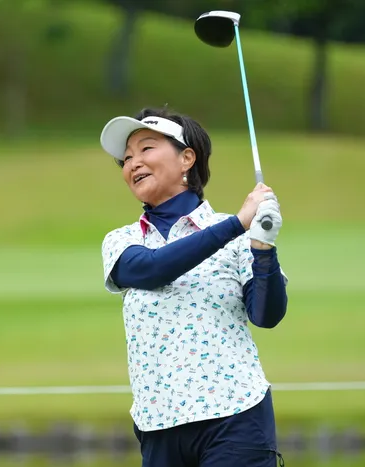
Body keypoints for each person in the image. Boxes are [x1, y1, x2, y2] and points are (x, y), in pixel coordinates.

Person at [99, 106, 288, 467]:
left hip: (235, 416)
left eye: (146, 149)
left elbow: (267, 315)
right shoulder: (122, 241)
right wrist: (237, 224)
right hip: (158, 426)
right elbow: (152, 269)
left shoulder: (240, 237)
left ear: (187, 158)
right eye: (126, 158)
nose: (133, 163)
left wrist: (263, 247)